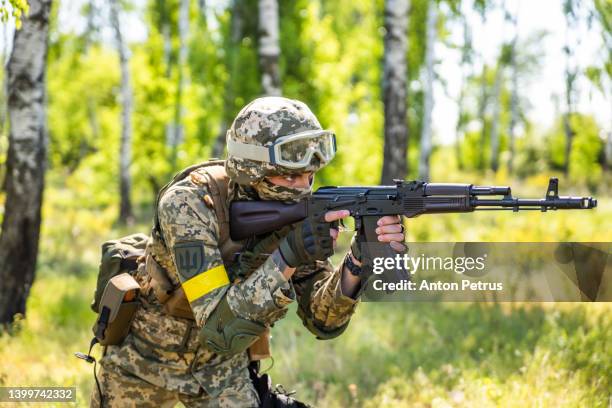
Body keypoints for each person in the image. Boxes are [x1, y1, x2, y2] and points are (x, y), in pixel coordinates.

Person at [91, 97, 405, 407]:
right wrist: (288, 256)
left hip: (221, 367)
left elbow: (323, 320)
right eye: (290, 176)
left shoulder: (292, 209)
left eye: (310, 176)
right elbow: (217, 326)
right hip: (144, 358)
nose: (302, 189)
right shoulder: (190, 203)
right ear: (251, 171)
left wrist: (358, 259)